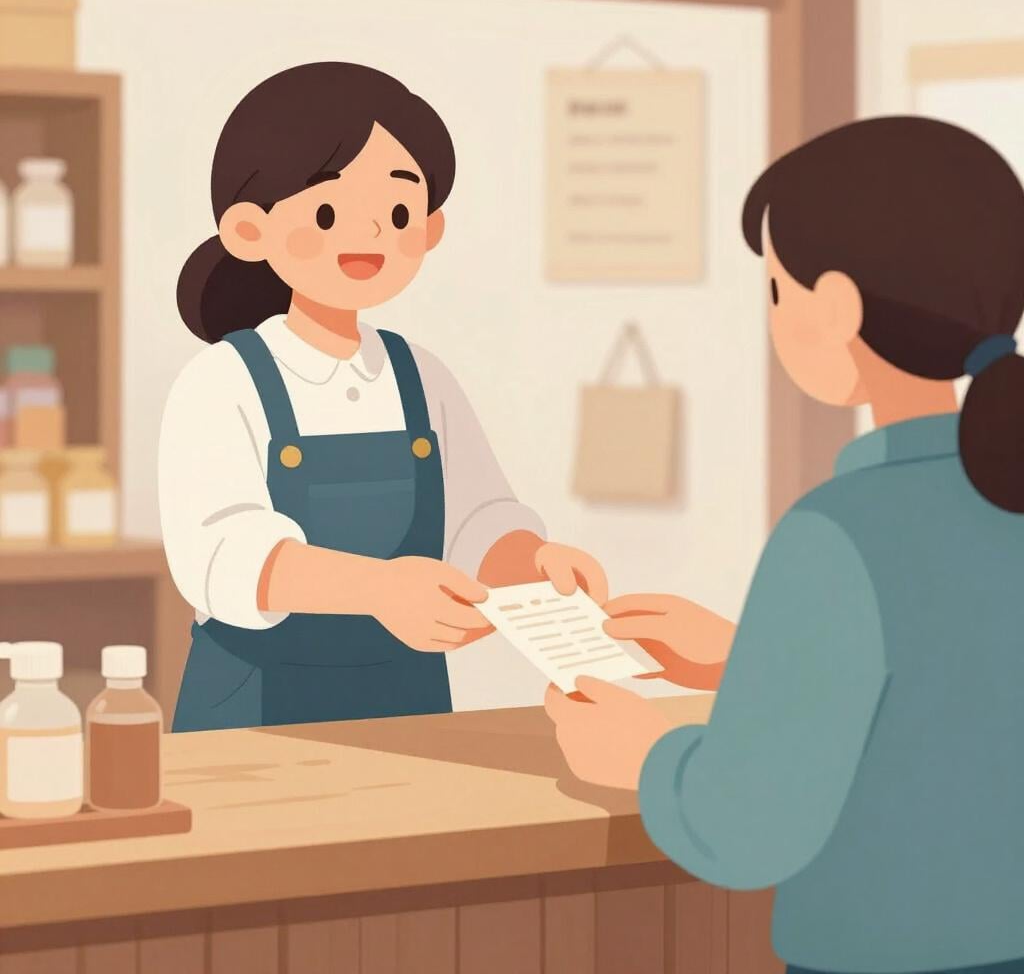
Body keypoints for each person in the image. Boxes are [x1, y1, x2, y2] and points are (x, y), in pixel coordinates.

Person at [546, 117, 1024, 973]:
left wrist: (641, 756)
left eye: (775, 289)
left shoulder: (842, 529)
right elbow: (963, 684)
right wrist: (750, 659)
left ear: (834, 306)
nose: (773, 316)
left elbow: (747, 826)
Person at [160, 62, 606, 732]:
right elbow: (222, 557)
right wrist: (379, 591)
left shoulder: (421, 376)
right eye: (330, 210)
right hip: (255, 709)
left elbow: (479, 519)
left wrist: (534, 568)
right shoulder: (221, 383)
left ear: (428, 230)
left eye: (398, 212)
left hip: (407, 703)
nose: (370, 235)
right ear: (250, 230)